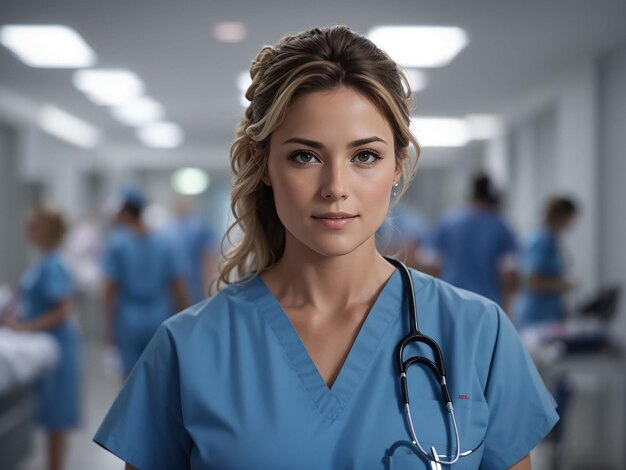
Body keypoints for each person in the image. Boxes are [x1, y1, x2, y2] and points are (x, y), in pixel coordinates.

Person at [94, 26, 557, 469]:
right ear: (265, 165)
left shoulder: (478, 334)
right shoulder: (189, 347)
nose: (336, 187)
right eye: (305, 156)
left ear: (397, 165)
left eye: (364, 156)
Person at [5, 203, 80, 470]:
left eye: (32, 227)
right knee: (49, 414)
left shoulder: (52, 264)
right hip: (48, 342)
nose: (27, 231)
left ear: (44, 230)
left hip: (56, 346)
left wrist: (24, 328)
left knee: (56, 418)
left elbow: (62, 309)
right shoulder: (45, 260)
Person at [101, 186, 188, 378]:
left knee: (130, 377)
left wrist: (108, 326)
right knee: (157, 375)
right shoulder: (164, 241)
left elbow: (109, 288)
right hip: (160, 315)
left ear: (125, 211)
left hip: (128, 317)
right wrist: (185, 319)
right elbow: (178, 285)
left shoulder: (117, 242)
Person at [425, 174, 519, 312]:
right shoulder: (501, 226)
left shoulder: (448, 222)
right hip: (488, 305)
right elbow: (509, 274)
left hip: (451, 301)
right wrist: (506, 312)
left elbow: (432, 267)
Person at [515, 196, 578, 331]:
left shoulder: (551, 240)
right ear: (561, 216)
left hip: (548, 315)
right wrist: (563, 285)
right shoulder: (541, 240)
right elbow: (532, 280)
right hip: (537, 316)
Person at [165, 196, 216, 303]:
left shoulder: (199, 227)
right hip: (178, 285)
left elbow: (207, 258)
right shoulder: (169, 228)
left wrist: (208, 285)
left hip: (195, 284)